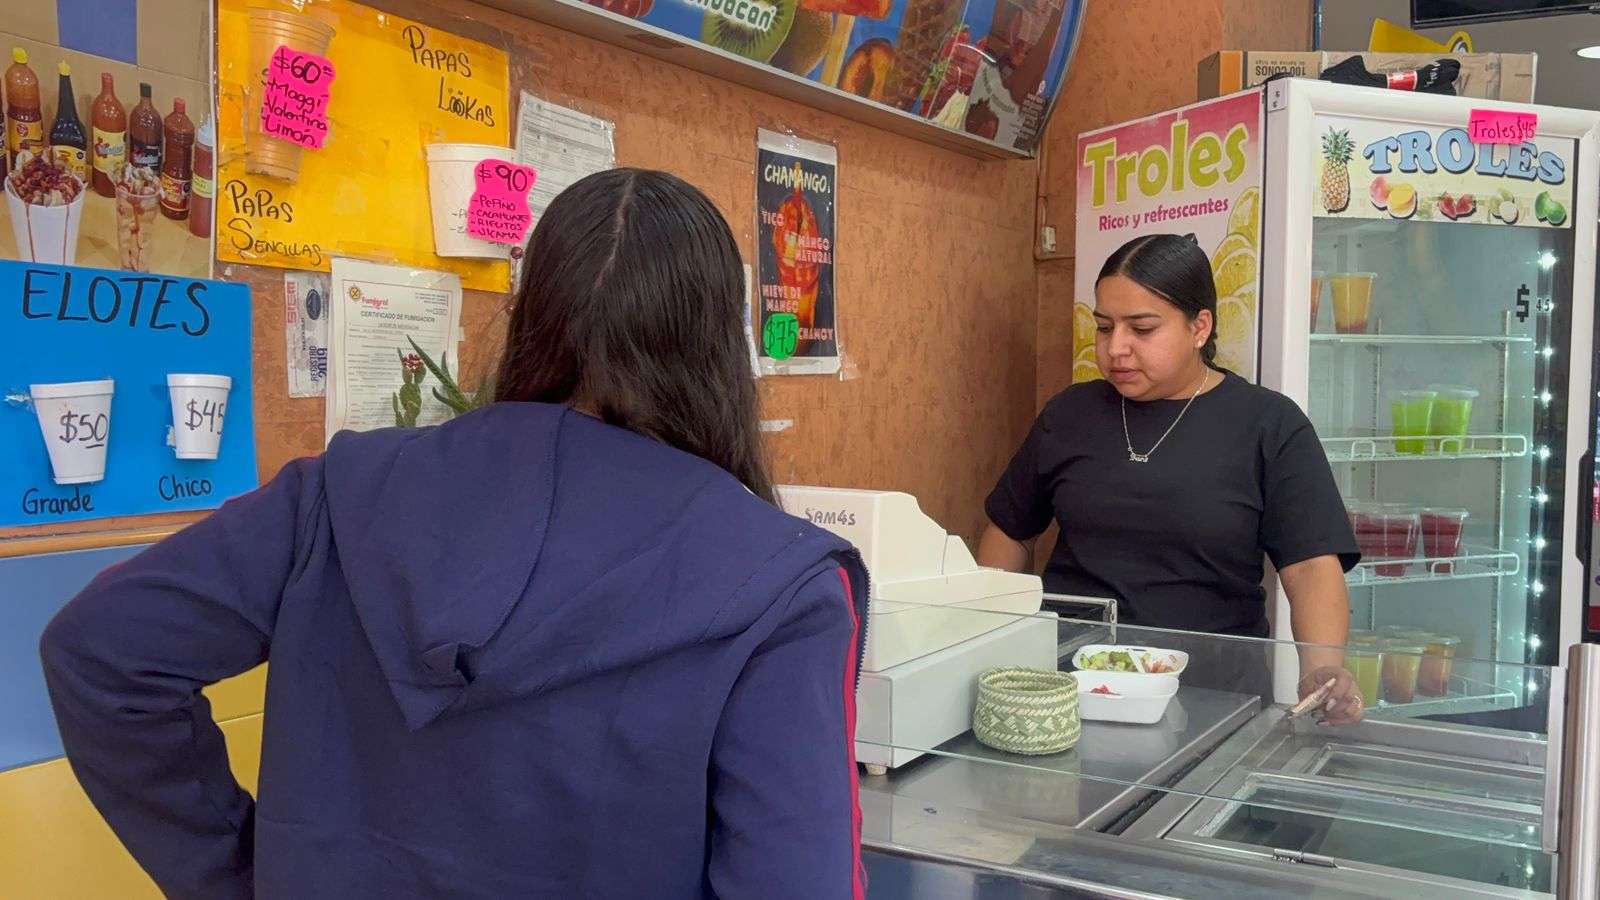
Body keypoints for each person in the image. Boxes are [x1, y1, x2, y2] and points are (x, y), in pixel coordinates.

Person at [39, 169, 870, 899]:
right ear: (721, 350)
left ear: (530, 315)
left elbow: (101, 651)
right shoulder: (781, 587)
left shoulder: (338, 492)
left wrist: (242, 875)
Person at [977, 233, 1362, 724]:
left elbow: (1309, 566)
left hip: (1212, 698)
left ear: (1199, 326)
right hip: (1070, 689)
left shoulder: (1267, 424)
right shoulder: (1070, 414)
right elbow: (1010, 530)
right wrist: (991, 639)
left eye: (1141, 328)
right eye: (1103, 327)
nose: (1116, 348)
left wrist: (1322, 670)